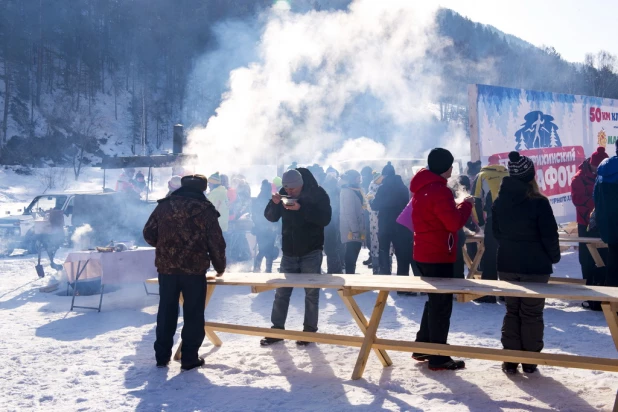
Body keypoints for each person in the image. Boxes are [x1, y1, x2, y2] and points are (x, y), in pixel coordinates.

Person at [143, 174, 226, 371]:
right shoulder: (205, 210)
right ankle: (189, 357)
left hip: (167, 268)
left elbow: (148, 232)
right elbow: (216, 242)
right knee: (194, 313)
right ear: (203, 189)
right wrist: (220, 266)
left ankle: (162, 357)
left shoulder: (164, 206)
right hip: (194, 270)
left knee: (166, 311)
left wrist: (165, 247)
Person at [493, 151, 561, 375]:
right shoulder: (539, 203)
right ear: (531, 176)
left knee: (512, 311)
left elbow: (496, 233)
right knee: (531, 313)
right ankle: (530, 361)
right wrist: (554, 256)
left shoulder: (500, 201)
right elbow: (549, 235)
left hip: (507, 263)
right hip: (535, 266)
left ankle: (511, 360)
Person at [410, 148, 474, 371]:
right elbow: (453, 224)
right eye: (451, 165)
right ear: (445, 167)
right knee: (441, 305)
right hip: (438, 254)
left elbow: (439, 218)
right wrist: (466, 205)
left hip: (424, 252)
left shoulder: (423, 187)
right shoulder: (438, 190)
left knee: (434, 301)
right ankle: (438, 356)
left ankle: (423, 346)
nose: (453, 169)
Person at [261, 168, 332, 346]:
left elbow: (325, 219)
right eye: (287, 189)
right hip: (289, 252)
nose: (290, 192)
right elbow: (271, 218)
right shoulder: (284, 194)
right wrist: (275, 203)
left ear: (301, 184)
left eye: (293, 189)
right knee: (282, 292)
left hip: (311, 251)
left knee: (311, 293)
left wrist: (302, 208)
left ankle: (309, 332)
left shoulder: (318, 193)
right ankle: (276, 330)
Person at [471, 163, 509, 303]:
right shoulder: (507, 174)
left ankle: (488, 294)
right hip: (510, 220)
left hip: (493, 219)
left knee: (490, 256)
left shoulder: (482, 176)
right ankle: (507, 293)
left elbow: (475, 200)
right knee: (506, 255)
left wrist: (480, 223)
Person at [571, 147, 608, 287]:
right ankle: (589, 289)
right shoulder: (579, 178)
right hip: (585, 223)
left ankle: (605, 286)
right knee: (587, 259)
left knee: (605, 257)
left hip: (604, 223)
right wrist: (600, 205)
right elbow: (579, 201)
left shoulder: (608, 174)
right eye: (596, 166)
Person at [371, 162, 411, 276]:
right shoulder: (403, 187)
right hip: (401, 224)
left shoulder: (382, 188)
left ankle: (385, 277)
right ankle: (403, 281)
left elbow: (375, 206)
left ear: (385, 175)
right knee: (402, 253)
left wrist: (371, 201)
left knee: (383, 251)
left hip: (385, 224)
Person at [594, 140, 618, 288]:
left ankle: (613, 305)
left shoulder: (603, 170)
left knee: (614, 263)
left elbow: (595, 198)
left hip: (610, 227)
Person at [340, 170, 365, 274]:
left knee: (354, 254)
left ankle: (351, 276)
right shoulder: (347, 191)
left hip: (358, 227)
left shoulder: (356, 189)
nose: (360, 180)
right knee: (351, 257)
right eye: (357, 178)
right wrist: (355, 230)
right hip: (351, 229)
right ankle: (350, 279)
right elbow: (349, 213)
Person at [252, 180, 279, 273]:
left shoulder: (259, 200)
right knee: (266, 250)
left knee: (264, 249)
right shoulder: (270, 199)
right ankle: (266, 269)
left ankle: (259, 268)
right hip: (267, 229)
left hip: (266, 229)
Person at [322, 173, 343, 274]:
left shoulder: (326, 191)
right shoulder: (337, 191)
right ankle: (335, 269)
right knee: (333, 248)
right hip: (333, 223)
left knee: (330, 248)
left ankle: (333, 269)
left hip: (328, 223)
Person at [360, 166, 374, 266]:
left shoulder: (372, 184)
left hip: (371, 214)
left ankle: (374, 256)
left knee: (371, 236)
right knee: (369, 237)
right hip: (366, 213)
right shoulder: (364, 184)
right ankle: (372, 255)